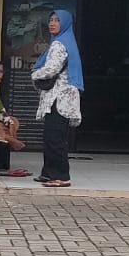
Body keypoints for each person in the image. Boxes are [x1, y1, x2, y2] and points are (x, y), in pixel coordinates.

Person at [31, 10, 83, 187]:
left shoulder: (59, 44)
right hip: (62, 97)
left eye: (57, 20)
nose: (52, 23)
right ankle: (48, 173)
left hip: (59, 98)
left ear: (65, 23)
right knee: (51, 136)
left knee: (55, 138)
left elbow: (52, 69)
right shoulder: (66, 41)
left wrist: (34, 74)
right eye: (51, 20)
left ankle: (61, 176)